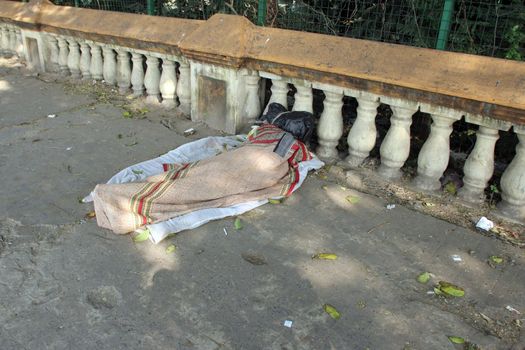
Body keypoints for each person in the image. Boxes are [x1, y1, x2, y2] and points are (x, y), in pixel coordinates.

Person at [92, 104, 315, 234]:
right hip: (248, 163)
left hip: (254, 163)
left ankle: (120, 198)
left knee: (199, 180)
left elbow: (265, 152)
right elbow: (290, 159)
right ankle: (122, 198)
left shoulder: (273, 135)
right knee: (202, 178)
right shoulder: (279, 137)